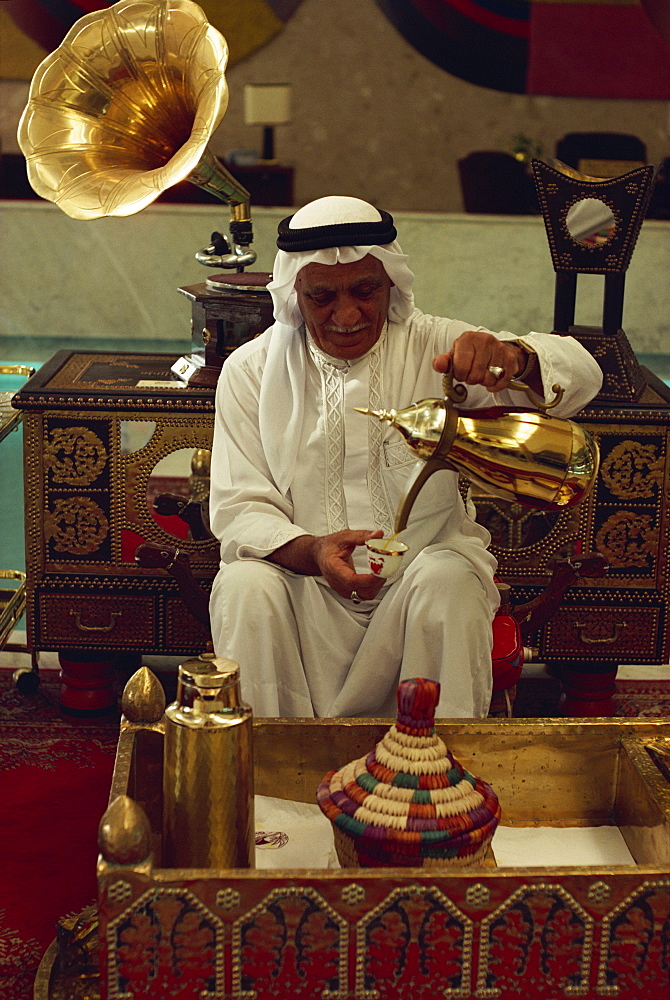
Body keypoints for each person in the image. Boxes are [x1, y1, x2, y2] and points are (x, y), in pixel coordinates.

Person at [208, 196, 603, 718]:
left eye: (365, 290)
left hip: (419, 579)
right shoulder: (251, 370)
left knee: (449, 580)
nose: (346, 315)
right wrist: (314, 553)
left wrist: (515, 359)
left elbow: (583, 375)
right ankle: (266, 785)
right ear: (294, 294)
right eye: (322, 296)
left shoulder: (441, 348)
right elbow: (240, 509)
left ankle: (438, 784)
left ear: (391, 282)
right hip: (300, 587)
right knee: (243, 585)